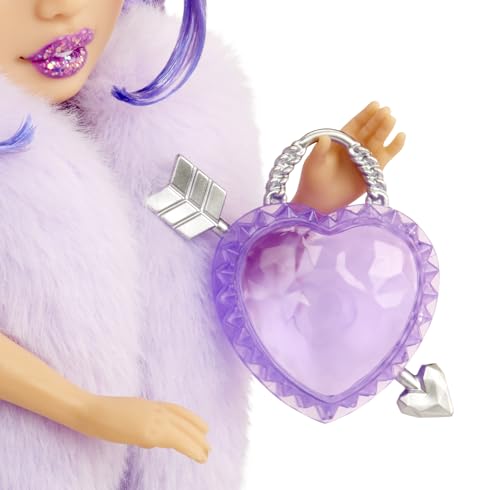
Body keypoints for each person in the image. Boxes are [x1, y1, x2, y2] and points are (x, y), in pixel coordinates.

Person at [0, 1, 405, 488]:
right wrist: (81, 409)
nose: (61, 8)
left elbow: (225, 282)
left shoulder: (176, 121)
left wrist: (308, 209)